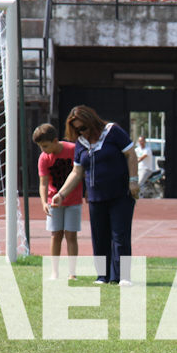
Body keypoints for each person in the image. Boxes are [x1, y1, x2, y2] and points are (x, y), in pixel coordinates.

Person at [52, 106, 138, 285]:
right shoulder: (81, 143)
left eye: (83, 127)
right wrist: (61, 194)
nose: (81, 132)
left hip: (120, 194)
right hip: (95, 198)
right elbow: (76, 172)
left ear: (92, 121)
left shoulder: (113, 131)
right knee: (99, 237)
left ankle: (122, 276)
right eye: (77, 129)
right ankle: (103, 276)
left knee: (120, 236)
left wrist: (134, 181)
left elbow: (131, 154)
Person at [34, 123, 79, 281]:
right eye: (40, 147)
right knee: (55, 235)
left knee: (71, 235)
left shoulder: (72, 150)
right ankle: (54, 271)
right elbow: (43, 183)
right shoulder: (44, 158)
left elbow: (79, 173)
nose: (43, 150)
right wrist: (44, 203)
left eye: (45, 146)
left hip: (73, 200)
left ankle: (72, 272)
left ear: (55, 141)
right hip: (53, 202)